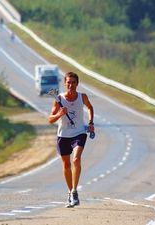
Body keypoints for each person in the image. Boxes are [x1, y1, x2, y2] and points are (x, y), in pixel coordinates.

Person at [48, 72, 95, 208]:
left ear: (77, 84)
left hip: (79, 133)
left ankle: (74, 191)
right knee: (66, 165)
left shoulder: (82, 97)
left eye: (73, 82)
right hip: (63, 136)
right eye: (68, 82)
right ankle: (70, 192)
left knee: (76, 159)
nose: (71, 85)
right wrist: (59, 114)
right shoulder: (59, 99)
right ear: (65, 83)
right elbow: (50, 119)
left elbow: (90, 107)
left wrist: (91, 122)